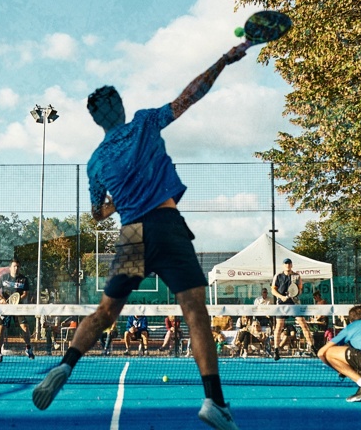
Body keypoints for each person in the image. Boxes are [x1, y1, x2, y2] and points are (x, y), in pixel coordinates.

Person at [32, 43, 249, 430]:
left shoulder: (96, 161)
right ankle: (214, 401)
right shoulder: (146, 122)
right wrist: (223, 60)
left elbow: (97, 213)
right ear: (121, 106)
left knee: (105, 312)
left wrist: (118, 202)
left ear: (97, 119)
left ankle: (65, 365)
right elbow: (190, 96)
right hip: (166, 227)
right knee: (195, 311)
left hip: (132, 234)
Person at [271, 258, 314, 360]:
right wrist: (281, 297)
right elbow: (273, 290)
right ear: (283, 265)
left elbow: (299, 290)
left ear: (292, 265)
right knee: (279, 326)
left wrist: (295, 294)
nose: (288, 265)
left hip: (294, 303)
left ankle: (312, 347)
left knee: (303, 324)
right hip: (281, 304)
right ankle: (276, 350)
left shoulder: (297, 276)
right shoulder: (278, 276)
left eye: (289, 263)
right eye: (286, 263)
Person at [0, 258, 34, 362]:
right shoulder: (3, 277)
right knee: (0, 329)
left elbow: (25, 293)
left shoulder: (24, 279)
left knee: (25, 327)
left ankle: (28, 348)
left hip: (18, 308)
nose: (16, 268)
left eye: (18, 266)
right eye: (14, 266)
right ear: (10, 267)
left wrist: (17, 299)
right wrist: (1, 299)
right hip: (5, 308)